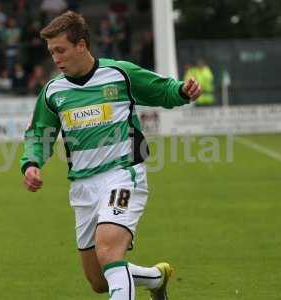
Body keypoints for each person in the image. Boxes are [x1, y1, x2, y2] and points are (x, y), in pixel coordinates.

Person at [19, 11, 201, 300]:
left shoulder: (119, 74)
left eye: (60, 50)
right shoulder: (54, 92)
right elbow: (39, 134)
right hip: (82, 186)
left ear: (82, 45)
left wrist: (182, 90)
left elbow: (160, 90)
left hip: (123, 174)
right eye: (51, 52)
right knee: (98, 280)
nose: (55, 58)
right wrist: (31, 163)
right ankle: (156, 278)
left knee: (108, 250)